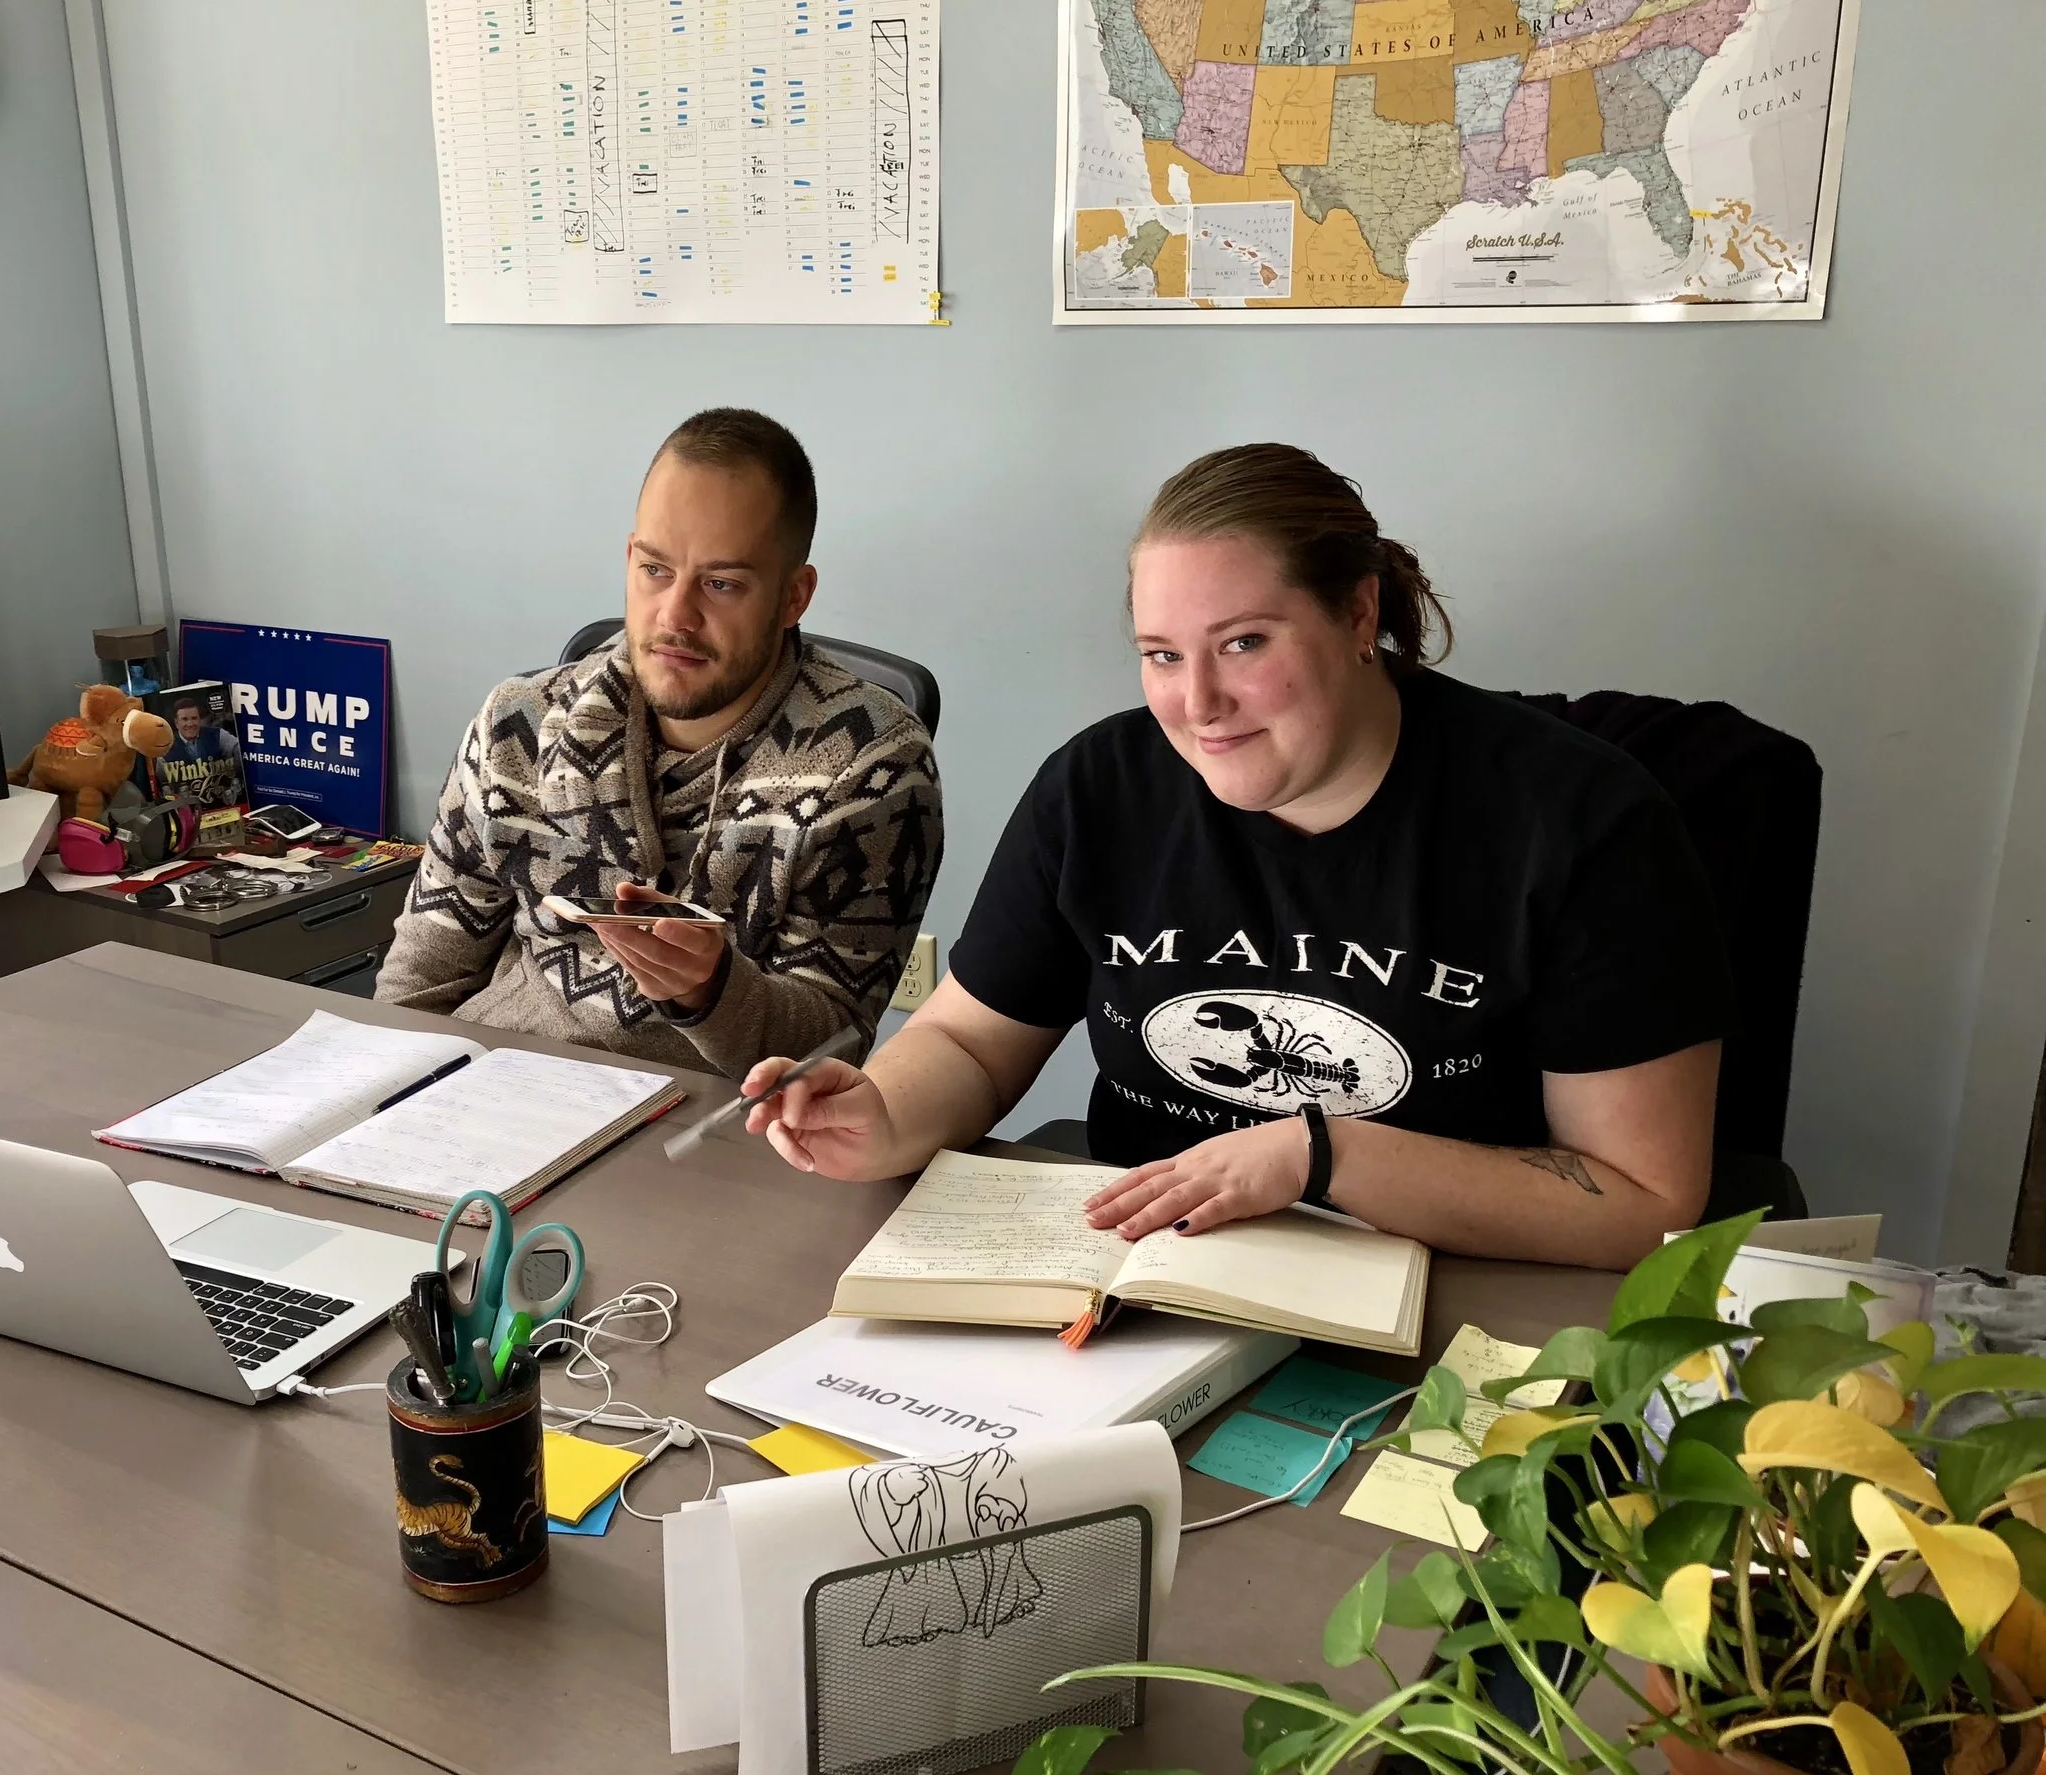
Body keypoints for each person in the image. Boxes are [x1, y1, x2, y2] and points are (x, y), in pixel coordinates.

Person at [743, 444, 1734, 1272]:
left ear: (1357, 615)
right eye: (1163, 655)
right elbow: (966, 1044)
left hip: (1458, 1284)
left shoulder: (1578, 822)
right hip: (1149, 1273)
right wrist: (879, 1117)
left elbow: (1644, 1202)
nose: (1197, 705)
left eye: (1244, 644)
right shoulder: (1099, 790)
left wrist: (1324, 1156)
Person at [376, 408, 944, 1076]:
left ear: (794, 596)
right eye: (655, 570)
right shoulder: (518, 723)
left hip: (706, 1136)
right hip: (497, 1096)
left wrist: (710, 991)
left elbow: (831, 1046)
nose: (675, 615)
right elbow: (420, 981)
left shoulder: (869, 763)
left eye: (721, 583)